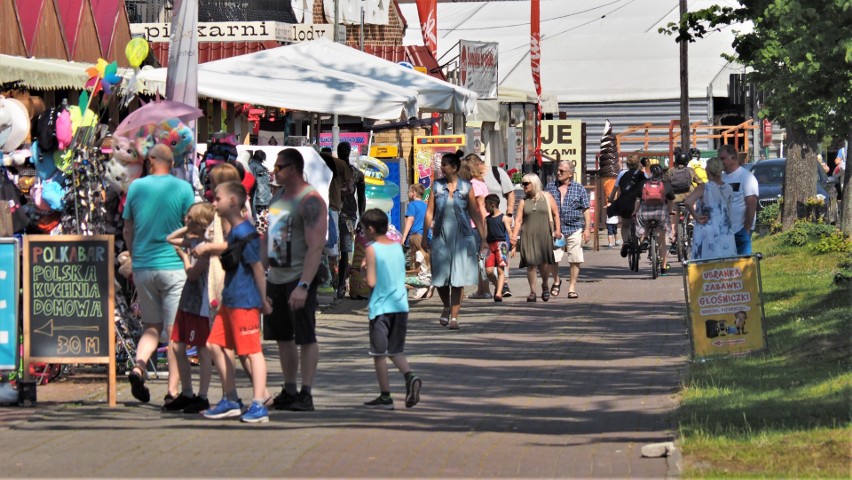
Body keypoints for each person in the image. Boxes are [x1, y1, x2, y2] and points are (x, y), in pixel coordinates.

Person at [123, 144, 195, 404]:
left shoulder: (136, 188)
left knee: (151, 326)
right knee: (174, 331)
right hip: (174, 266)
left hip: (144, 266)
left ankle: (138, 367)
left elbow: (128, 229)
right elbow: (191, 225)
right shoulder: (183, 189)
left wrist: (134, 255)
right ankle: (172, 391)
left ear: (153, 161)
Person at [203, 181, 272, 423]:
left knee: (252, 351)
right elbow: (229, 248)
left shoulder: (246, 233)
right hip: (230, 300)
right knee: (214, 344)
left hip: (244, 302)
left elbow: (257, 267)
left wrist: (263, 300)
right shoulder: (235, 231)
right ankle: (230, 399)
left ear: (232, 202)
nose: (214, 203)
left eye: (217, 198)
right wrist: (208, 247)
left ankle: (259, 403)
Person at [266, 148, 327, 411]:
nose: (274, 171)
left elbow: (315, 247)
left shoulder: (310, 199)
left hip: (299, 277)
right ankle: (289, 389)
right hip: (276, 276)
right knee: (282, 337)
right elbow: (269, 236)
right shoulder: (278, 196)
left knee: (305, 336)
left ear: (292, 168)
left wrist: (303, 285)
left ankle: (306, 392)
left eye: (278, 167)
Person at [359, 208, 422, 410]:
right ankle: (410, 376)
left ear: (370, 229)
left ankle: (385, 396)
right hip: (401, 305)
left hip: (380, 308)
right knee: (395, 350)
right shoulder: (396, 247)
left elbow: (371, 281)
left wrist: (363, 269)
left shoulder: (371, 249)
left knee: (379, 354)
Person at [423, 151, 487, 330]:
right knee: (441, 278)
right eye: (441, 164)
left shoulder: (467, 187)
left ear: (454, 167)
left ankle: (454, 317)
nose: (441, 168)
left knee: (458, 278)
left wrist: (483, 238)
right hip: (440, 236)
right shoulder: (436, 186)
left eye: (444, 165)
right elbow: (430, 212)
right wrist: (425, 235)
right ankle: (445, 305)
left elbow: (474, 212)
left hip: (461, 236)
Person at [162, 202, 216, 414]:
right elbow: (170, 239)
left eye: (190, 217)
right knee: (177, 345)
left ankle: (202, 395)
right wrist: (189, 228)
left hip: (200, 302)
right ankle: (186, 391)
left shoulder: (208, 246)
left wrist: (185, 258)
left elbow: (192, 273)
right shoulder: (193, 239)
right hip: (187, 300)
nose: (185, 220)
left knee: (202, 348)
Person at [511, 173, 560, 302]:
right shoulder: (523, 201)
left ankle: (545, 285)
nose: (524, 186)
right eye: (523, 184)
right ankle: (532, 291)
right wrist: (514, 237)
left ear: (535, 183)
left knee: (544, 264)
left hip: (544, 235)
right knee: (531, 265)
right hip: (528, 236)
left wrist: (558, 230)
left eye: (526, 183)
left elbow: (556, 214)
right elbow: (518, 220)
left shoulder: (547, 196)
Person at [545, 161, 590, 299]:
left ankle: (572, 287)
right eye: (557, 170)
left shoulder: (579, 188)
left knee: (575, 258)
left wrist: (587, 229)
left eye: (562, 171)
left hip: (574, 227)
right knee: (553, 257)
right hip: (556, 229)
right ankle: (557, 280)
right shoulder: (550, 187)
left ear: (570, 174)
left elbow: (586, 209)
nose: (558, 173)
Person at [682, 157, 737, 260]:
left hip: (707, 232)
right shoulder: (729, 188)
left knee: (706, 267)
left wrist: (697, 217)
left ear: (708, 170)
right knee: (726, 265)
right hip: (726, 231)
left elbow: (688, 202)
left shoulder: (704, 187)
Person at [478, 155, 516, 298]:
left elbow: (511, 193)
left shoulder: (497, 172)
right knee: (488, 270)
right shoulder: (472, 179)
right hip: (488, 233)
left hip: (501, 227)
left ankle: (503, 286)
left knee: (501, 265)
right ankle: (498, 286)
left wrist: (510, 213)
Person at [633, 164, 676, 273]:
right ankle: (664, 267)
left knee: (642, 222)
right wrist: (670, 211)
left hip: (646, 212)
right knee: (662, 241)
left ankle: (644, 239)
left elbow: (638, 200)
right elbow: (671, 200)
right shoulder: (665, 184)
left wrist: (635, 211)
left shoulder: (643, 183)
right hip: (660, 213)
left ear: (650, 172)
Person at [459, 155, 491, 299]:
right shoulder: (480, 183)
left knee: (475, 260)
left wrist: (483, 226)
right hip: (478, 226)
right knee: (480, 259)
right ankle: (483, 290)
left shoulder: (473, 185)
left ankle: (482, 290)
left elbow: (480, 207)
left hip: (473, 226)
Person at [337, 141, 366, 299]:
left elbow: (361, 197)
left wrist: (362, 216)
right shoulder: (334, 172)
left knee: (344, 251)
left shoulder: (356, 174)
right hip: (339, 212)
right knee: (342, 251)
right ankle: (338, 284)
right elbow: (361, 198)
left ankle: (341, 285)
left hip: (346, 214)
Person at [719, 145, 759, 255]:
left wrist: (746, 229)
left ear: (734, 158)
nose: (720, 162)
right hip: (724, 232)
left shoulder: (746, 177)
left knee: (742, 267)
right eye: (719, 159)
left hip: (740, 230)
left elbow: (752, 203)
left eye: (723, 158)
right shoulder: (721, 178)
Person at [608, 154, 646, 252]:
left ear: (627, 164)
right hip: (639, 202)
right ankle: (643, 241)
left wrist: (611, 199)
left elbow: (615, 190)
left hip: (625, 202)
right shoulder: (642, 174)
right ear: (638, 164)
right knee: (641, 223)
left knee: (625, 224)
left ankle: (625, 243)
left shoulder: (621, 174)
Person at [483, 194, 512, 301]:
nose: (485, 207)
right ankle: (498, 287)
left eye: (486, 205)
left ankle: (499, 293)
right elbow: (485, 235)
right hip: (490, 246)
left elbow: (509, 232)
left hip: (501, 245)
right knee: (489, 271)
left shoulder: (503, 218)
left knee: (501, 270)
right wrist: (483, 246)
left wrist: (512, 247)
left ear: (493, 205)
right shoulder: (487, 219)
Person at [400, 184, 427, 270]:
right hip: (425, 235)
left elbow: (410, 220)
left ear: (414, 193)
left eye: (409, 192)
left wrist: (404, 236)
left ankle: (411, 276)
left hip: (415, 235)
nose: (408, 194)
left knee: (411, 259)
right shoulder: (426, 205)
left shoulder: (412, 205)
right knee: (423, 256)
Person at [247, 150, 272, 235]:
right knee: (260, 224)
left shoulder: (259, 165)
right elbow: (252, 183)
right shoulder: (253, 166)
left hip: (264, 199)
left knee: (264, 223)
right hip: (259, 200)